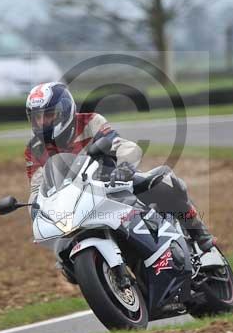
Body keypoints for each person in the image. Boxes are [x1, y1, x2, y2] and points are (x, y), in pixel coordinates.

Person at [23, 81, 216, 252]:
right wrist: (35, 209)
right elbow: (36, 189)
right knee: (61, 253)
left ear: (64, 111)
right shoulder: (34, 149)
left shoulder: (90, 122)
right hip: (76, 204)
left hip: (114, 183)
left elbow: (122, 145)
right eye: (36, 117)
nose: (41, 123)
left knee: (164, 180)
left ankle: (198, 231)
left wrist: (124, 167)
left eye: (48, 115)